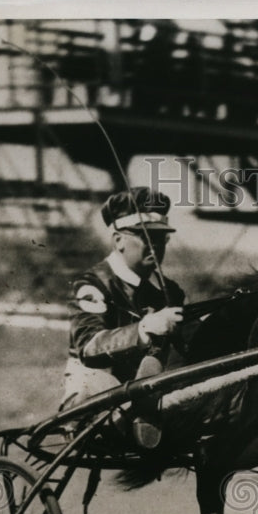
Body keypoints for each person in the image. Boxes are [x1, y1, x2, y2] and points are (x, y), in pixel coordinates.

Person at [62, 186, 184, 448]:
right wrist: (144, 329)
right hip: (93, 385)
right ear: (118, 240)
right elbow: (88, 347)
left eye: (161, 239)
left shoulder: (169, 291)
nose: (156, 246)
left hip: (148, 385)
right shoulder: (92, 284)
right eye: (146, 237)